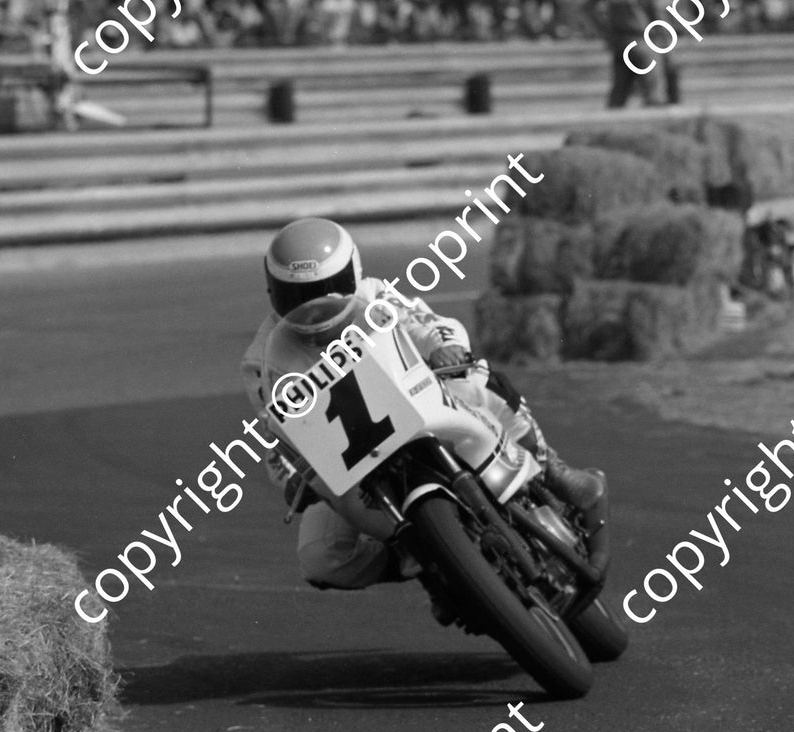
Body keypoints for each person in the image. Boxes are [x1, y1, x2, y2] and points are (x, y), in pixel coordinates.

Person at [240, 217, 609, 615]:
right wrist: (291, 478)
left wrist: (442, 348)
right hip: (351, 461)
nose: (313, 307)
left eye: (325, 289)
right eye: (296, 295)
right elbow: (277, 433)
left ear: (352, 273)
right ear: (273, 291)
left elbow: (427, 325)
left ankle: (553, 471)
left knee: (474, 378)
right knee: (320, 557)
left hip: (418, 406)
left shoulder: (374, 297)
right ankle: (425, 563)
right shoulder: (263, 359)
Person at [582, 0, 665, 109]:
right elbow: (657, 12)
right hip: (642, 40)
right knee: (653, 94)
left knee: (618, 94)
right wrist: (664, 37)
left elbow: (587, 7)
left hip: (618, 41)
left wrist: (604, 31)